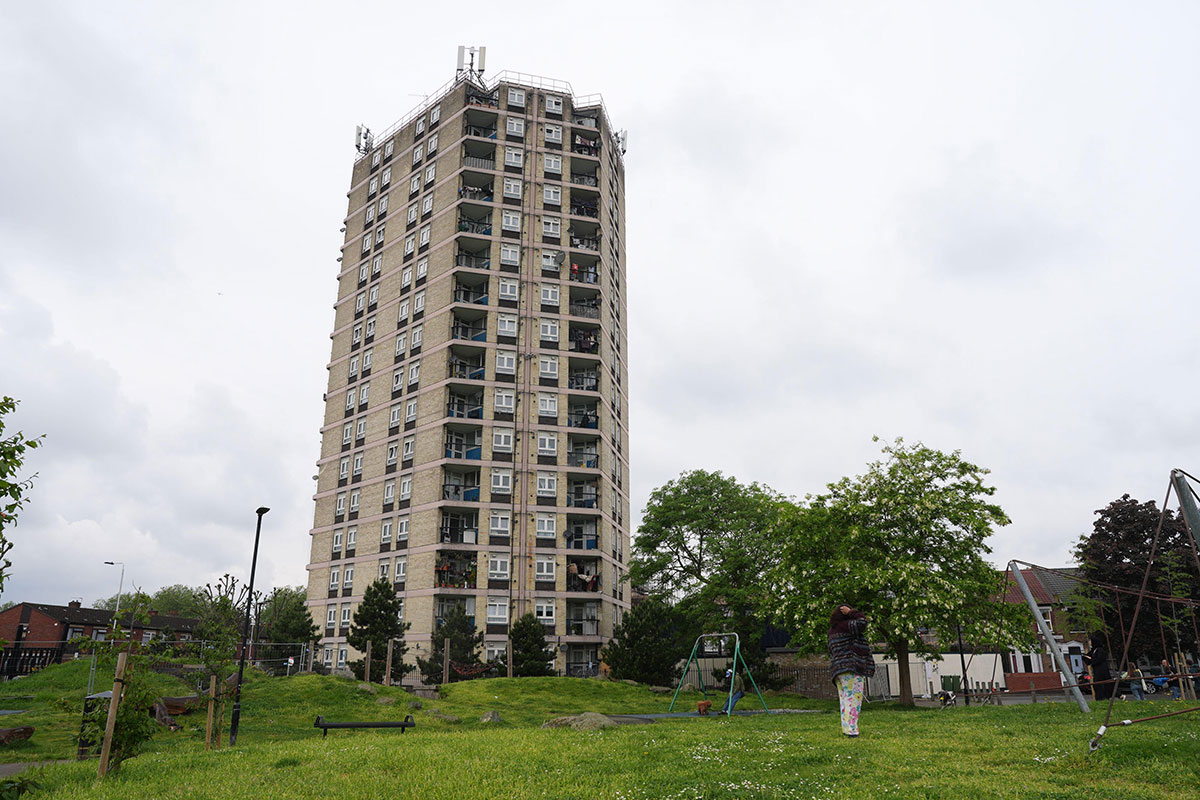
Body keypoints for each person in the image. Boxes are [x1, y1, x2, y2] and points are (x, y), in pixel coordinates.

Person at [828, 604, 875, 738]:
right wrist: (852, 612)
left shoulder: (831, 631)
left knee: (845, 701)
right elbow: (862, 622)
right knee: (854, 700)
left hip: (838, 670)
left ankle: (846, 729)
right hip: (851, 668)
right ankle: (852, 731)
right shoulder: (847, 626)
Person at [1083, 634, 1113, 700]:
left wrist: (1091, 659)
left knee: (1102, 683)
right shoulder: (1094, 650)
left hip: (1102, 670)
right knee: (1097, 684)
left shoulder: (1100, 650)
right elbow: (1088, 658)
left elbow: (1099, 659)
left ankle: (1105, 697)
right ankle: (1101, 697)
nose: (1089, 642)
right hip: (1096, 670)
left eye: (1090, 641)